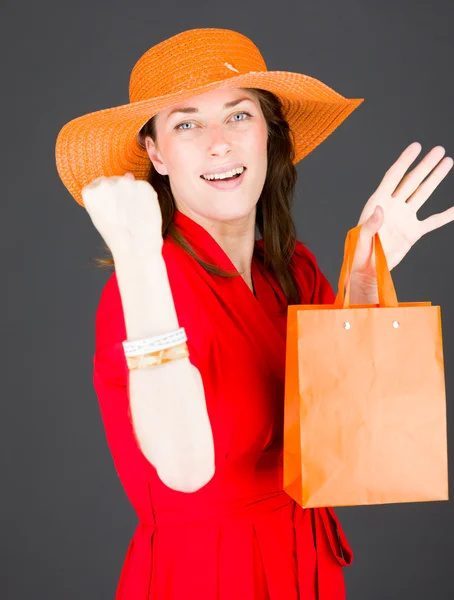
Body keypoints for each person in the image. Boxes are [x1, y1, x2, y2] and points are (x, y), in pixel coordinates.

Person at [55, 27, 453, 600]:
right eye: (187, 124)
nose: (220, 143)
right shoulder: (143, 283)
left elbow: (349, 456)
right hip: (204, 577)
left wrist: (364, 281)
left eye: (239, 116)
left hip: (305, 564)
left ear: (269, 134)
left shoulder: (293, 271)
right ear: (156, 153)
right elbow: (186, 470)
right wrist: (135, 251)